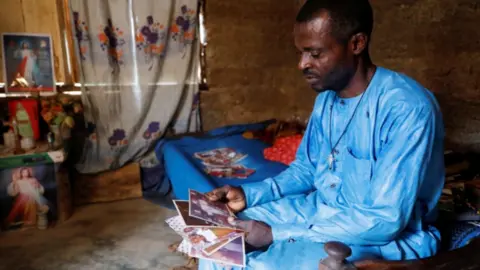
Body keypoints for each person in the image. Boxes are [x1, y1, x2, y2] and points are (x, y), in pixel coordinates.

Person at [200, 0, 445, 269]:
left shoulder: (406, 107)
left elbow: (385, 220)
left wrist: (276, 234)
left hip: (378, 235)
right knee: (218, 235)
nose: (302, 64)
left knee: (264, 264)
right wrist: (249, 195)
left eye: (314, 54)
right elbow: (306, 169)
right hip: (318, 210)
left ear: (357, 44)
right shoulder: (327, 99)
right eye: (300, 53)